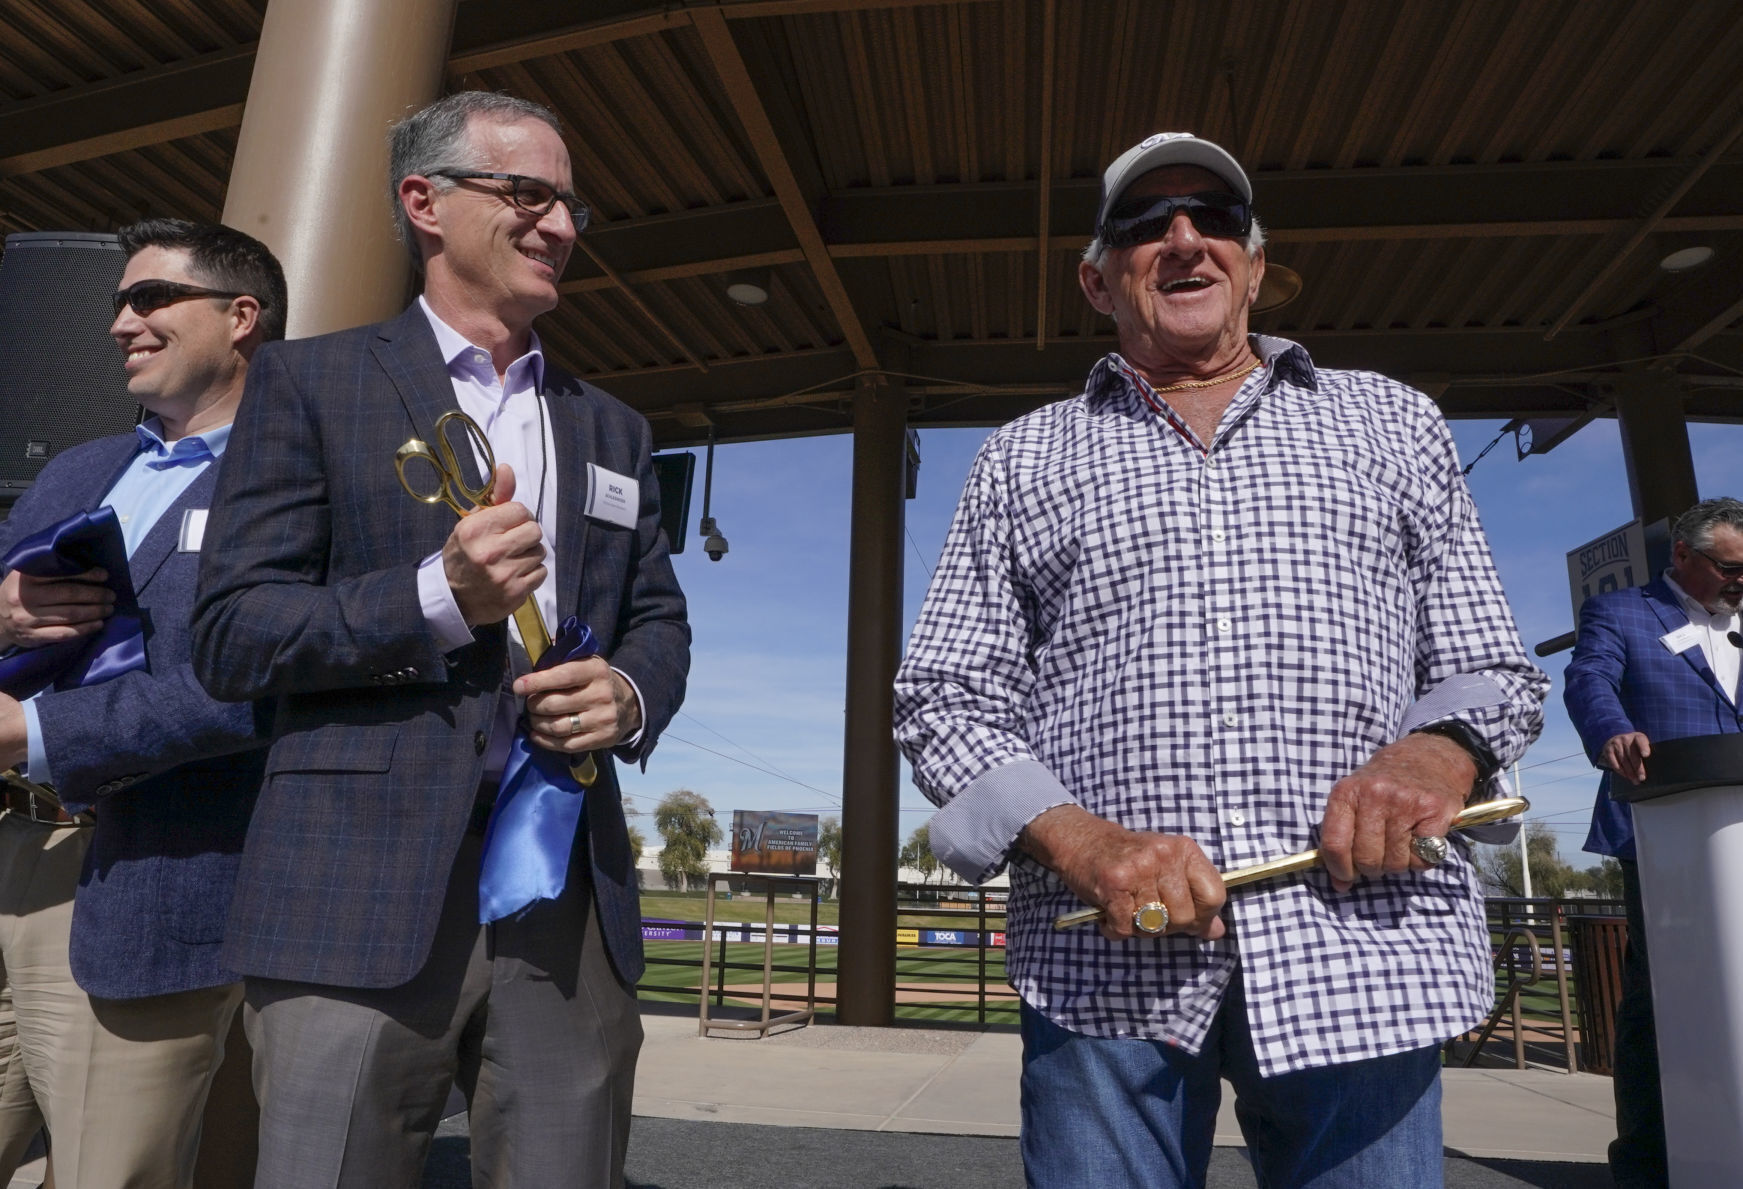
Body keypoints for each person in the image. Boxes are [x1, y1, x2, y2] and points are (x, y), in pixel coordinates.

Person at [893, 132, 1547, 1188]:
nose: (1185, 238)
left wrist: (1435, 755)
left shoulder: (1392, 421)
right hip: (1104, 967)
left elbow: (1490, 665)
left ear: (1253, 262)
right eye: (1144, 223)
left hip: (1367, 950)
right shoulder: (1020, 455)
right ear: (1097, 281)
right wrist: (1083, 841)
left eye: (1217, 218)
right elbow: (944, 696)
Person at [190, 91, 689, 1189]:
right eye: (529, 193)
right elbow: (231, 633)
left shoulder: (614, 427)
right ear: (424, 201)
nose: (560, 224)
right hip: (349, 893)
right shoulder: (308, 383)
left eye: (570, 206)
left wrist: (628, 693)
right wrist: (437, 594)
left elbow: (659, 616)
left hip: (566, 900)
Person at [0, 218, 284, 1188]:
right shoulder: (77, 469)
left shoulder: (298, 478)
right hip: (10, 848)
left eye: (151, 298)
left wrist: (35, 730)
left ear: (241, 316)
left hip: (146, 883)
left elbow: (255, 684)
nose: (122, 322)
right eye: (120, 302)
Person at [1564, 496, 1743, 1188]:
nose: (1740, 581)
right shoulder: (1622, 612)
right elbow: (1589, 678)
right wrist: (1611, 730)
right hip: (1666, 832)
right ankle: (1646, 1161)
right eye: (1729, 568)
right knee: (1658, 997)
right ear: (1682, 553)